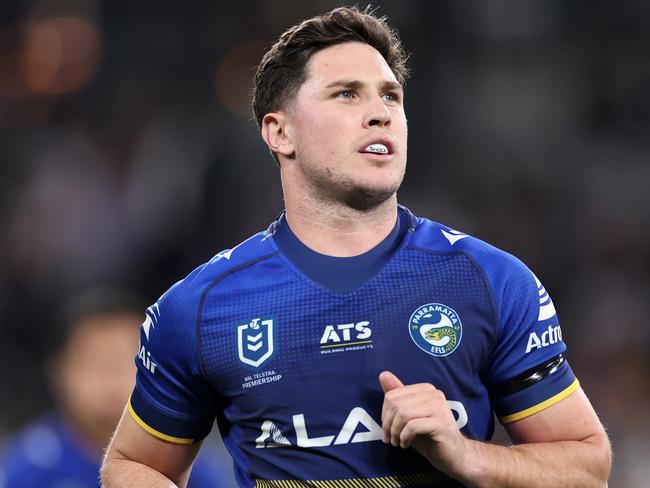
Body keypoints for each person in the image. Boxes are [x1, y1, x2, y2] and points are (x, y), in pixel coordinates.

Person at [101, 6, 611, 487]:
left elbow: (588, 467)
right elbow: (133, 464)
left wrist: (470, 456)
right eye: (346, 94)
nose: (379, 113)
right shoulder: (200, 307)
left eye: (390, 96)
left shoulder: (490, 280)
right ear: (280, 133)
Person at [0, 288, 232, 488]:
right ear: (59, 371)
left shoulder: (187, 463)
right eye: (95, 360)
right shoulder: (28, 465)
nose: (111, 377)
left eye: (125, 359)